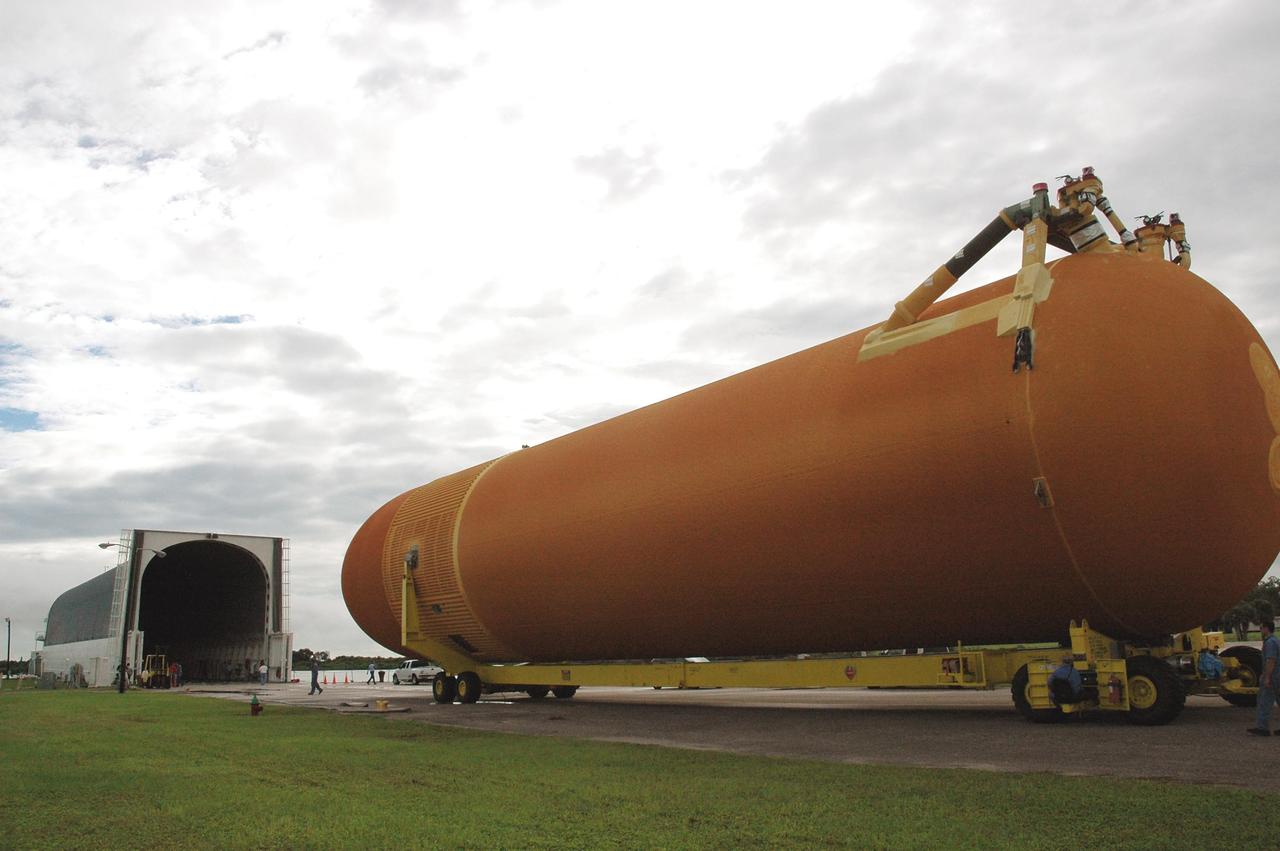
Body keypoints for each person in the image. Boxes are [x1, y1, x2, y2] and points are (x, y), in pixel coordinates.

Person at [1248, 619, 1279, 736]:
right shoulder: (1276, 640)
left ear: (1266, 628)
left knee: (1264, 701)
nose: (1260, 630)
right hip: (1277, 675)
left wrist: (1267, 677)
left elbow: (1271, 660)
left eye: (1261, 628)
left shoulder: (1270, 642)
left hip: (1274, 676)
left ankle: (1262, 728)